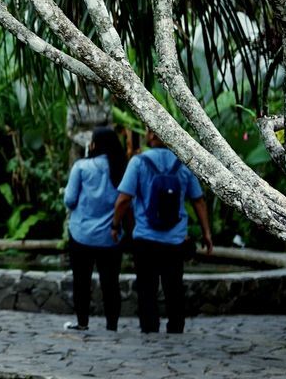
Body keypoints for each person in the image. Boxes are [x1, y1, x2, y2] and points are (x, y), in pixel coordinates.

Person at [111, 128, 214, 333]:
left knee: (146, 288)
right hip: (175, 240)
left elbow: (123, 200)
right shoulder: (184, 163)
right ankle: (176, 327)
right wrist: (206, 234)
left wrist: (115, 225)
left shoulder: (138, 162)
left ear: (151, 136)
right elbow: (198, 201)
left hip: (145, 240)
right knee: (174, 287)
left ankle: (149, 327)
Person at [62, 126, 128, 331]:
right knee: (111, 282)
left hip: (82, 234)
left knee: (81, 281)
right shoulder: (122, 168)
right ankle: (112, 325)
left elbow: (70, 200)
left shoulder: (82, 167)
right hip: (111, 235)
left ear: (94, 144)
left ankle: (82, 322)